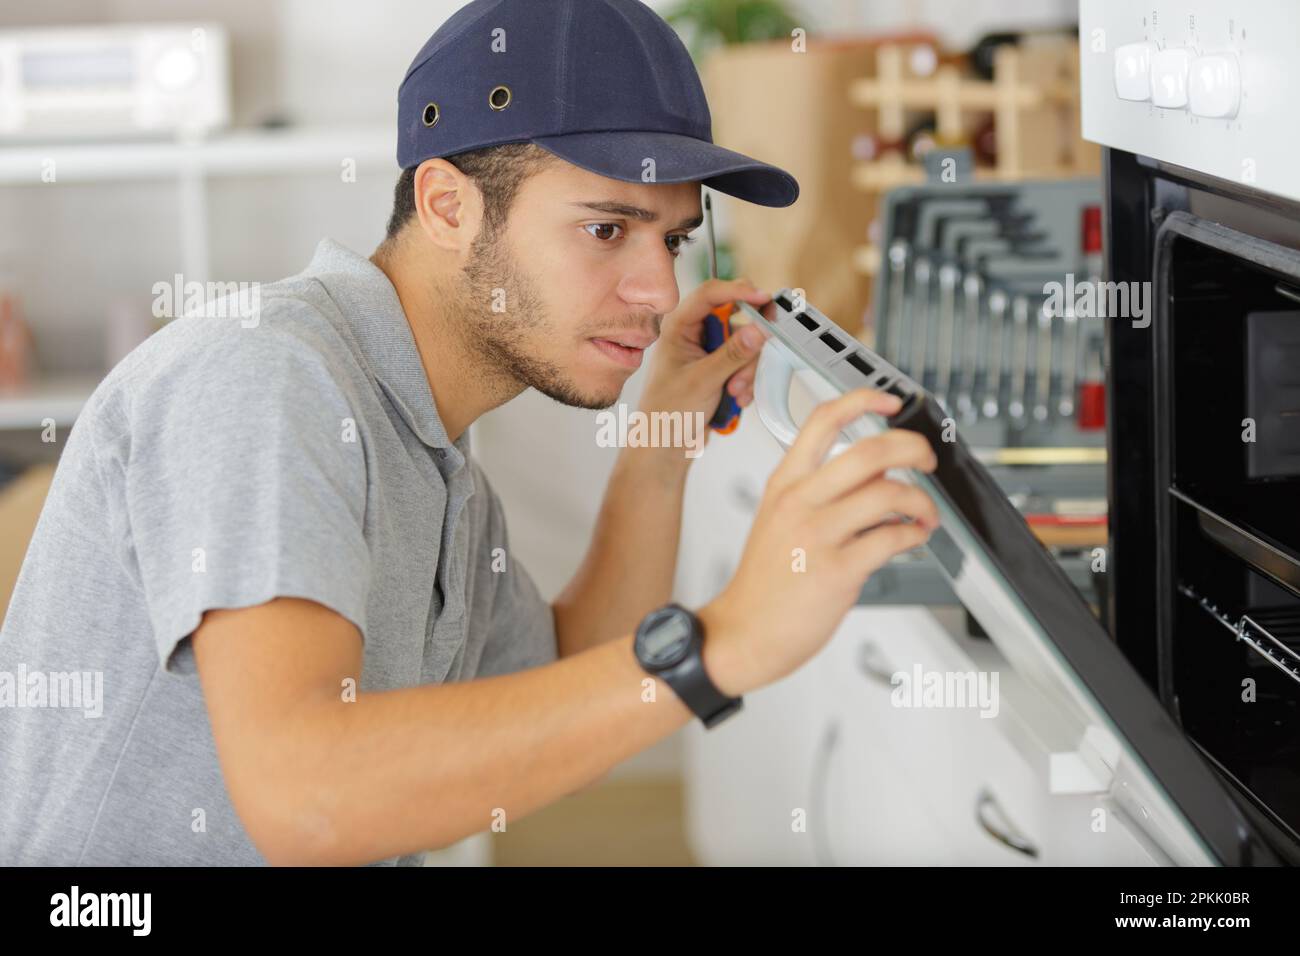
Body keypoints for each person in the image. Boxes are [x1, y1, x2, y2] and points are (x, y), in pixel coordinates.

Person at [0, 0, 937, 866]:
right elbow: (307, 795)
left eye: (673, 240)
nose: (659, 290)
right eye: (608, 229)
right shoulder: (265, 378)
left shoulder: (432, 456)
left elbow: (573, 675)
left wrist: (663, 444)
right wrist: (725, 641)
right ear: (449, 205)